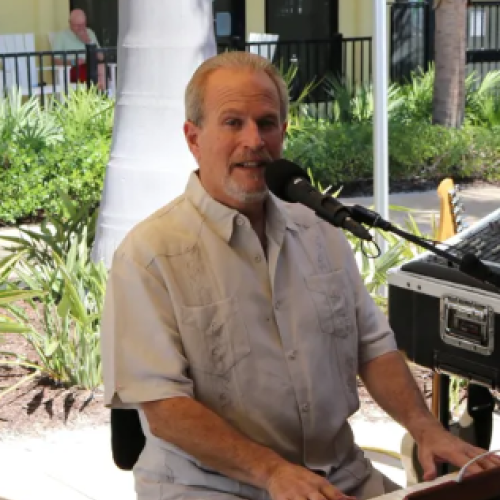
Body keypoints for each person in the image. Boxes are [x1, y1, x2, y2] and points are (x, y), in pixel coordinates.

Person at [101, 51, 500, 500]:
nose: (254, 140)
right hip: (213, 486)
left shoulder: (320, 232)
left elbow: (373, 348)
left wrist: (426, 429)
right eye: (233, 122)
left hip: (340, 476)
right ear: (193, 138)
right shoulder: (148, 255)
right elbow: (164, 408)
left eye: (267, 123)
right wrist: (272, 472)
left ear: (284, 133)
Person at [52, 9, 106, 90]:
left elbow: (101, 57)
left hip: (91, 66)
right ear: (70, 23)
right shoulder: (61, 36)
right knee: (93, 75)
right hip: (73, 68)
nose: (81, 28)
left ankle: (101, 96)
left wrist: (88, 41)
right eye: (77, 25)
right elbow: (55, 60)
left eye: (83, 24)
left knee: (101, 67)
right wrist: (73, 62)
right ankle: (96, 95)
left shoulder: (90, 33)